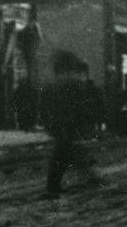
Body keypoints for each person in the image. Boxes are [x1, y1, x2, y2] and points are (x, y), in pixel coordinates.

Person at [40, 50, 103, 200]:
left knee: (63, 154)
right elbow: (83, 106)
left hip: (58, 125)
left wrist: (48, 124)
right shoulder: (75, 84)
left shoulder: (51, 85)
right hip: (71, 125)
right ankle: (92, 176)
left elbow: (44, 107)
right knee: (68, 153)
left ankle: (54, 186)